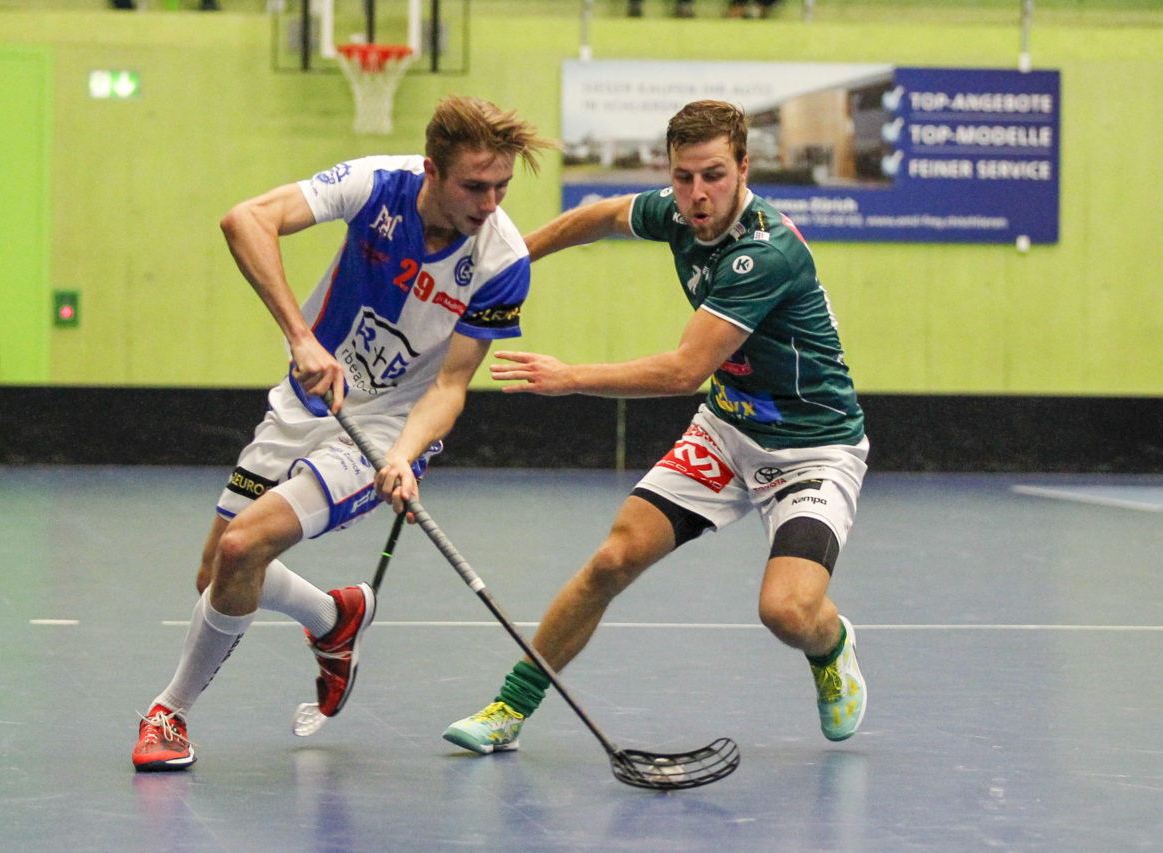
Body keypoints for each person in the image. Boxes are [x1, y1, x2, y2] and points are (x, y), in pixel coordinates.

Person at [132, 95, 557, 772]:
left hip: (385, 428)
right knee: (217, 570)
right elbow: (245, 219)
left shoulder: (504, 261)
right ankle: (334, 619)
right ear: (431, 171)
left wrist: (404, 457)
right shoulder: (377, 184)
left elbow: (451, 386)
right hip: (310, 393)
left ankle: (168, 712)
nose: (489, 202)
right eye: (475, 185)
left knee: (244, 546)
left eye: (502, 186)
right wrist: (299, 338)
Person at [443, 99, 869, 756]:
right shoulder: (676, 212)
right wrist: (514, 259)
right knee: (613, 558)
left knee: (788, 612)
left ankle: (832, 643)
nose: (697, 196)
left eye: (714, 176)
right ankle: (510, 707)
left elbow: (682, 371)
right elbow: (604, 215)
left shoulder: (765, 253)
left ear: (744, 167)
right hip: (728, 431)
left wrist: (570, 375)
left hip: (813, 449)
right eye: (683, 178)